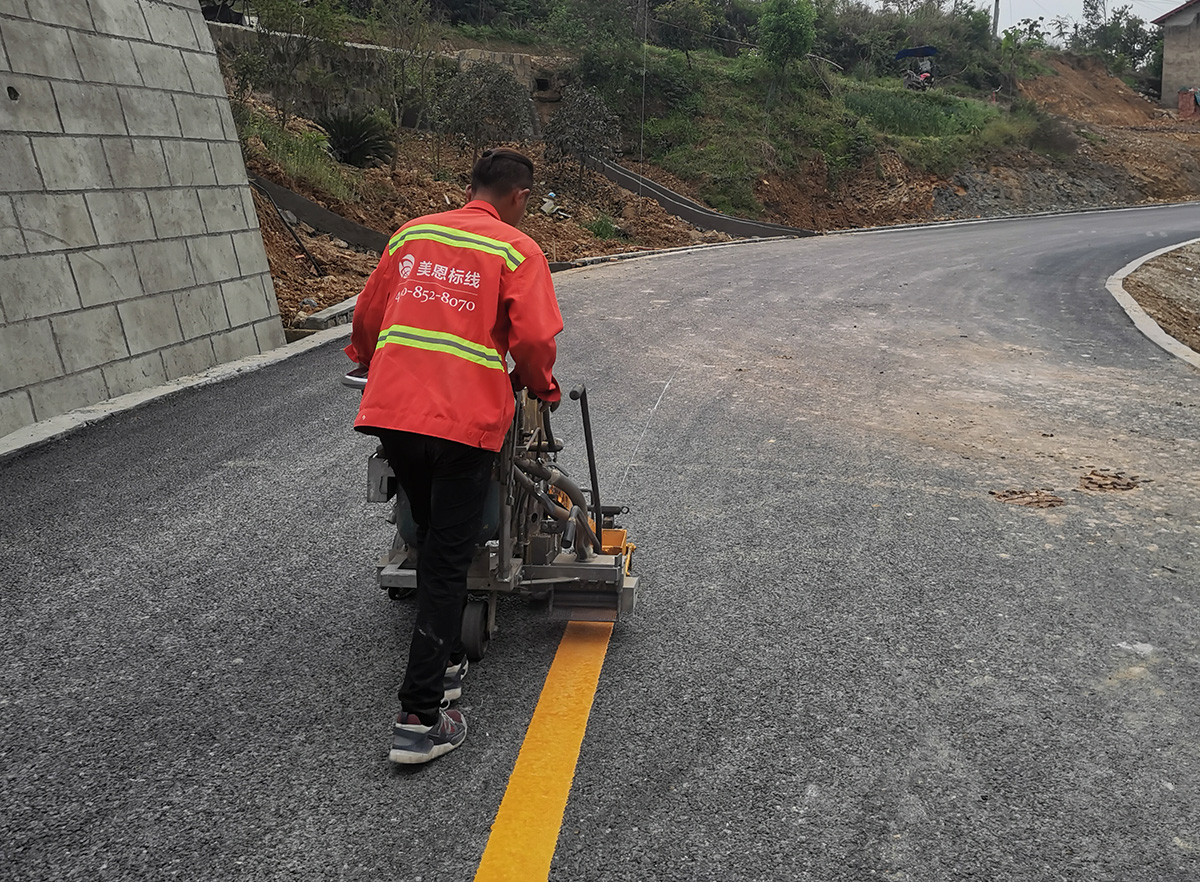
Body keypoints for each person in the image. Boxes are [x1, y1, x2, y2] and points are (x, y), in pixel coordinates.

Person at [345, 148, 563, 764]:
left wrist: (366, 360)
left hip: (392, 416)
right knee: (447, 561)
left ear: (470, 186)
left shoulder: (411, 235)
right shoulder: (517, 250)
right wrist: (540, 386)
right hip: (464, 427)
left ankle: (443, 660)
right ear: (519, 197)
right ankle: (420, 719)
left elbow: (368, 318)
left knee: (429, 535)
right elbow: (535, 338)